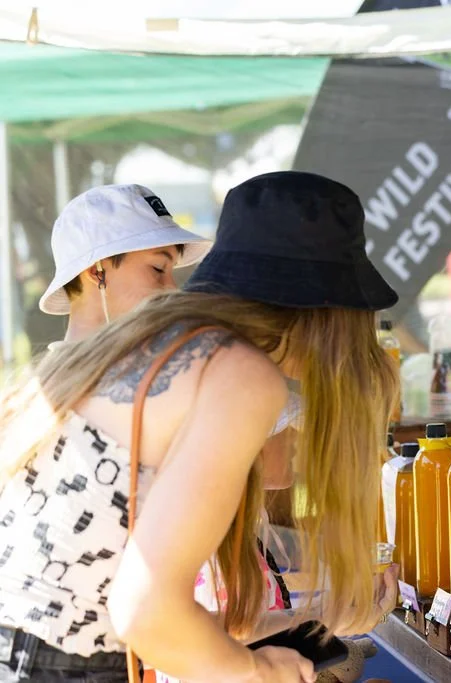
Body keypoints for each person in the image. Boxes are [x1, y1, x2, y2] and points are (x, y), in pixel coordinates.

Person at [0, 170, 401, 681]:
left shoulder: (167, 348)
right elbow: (145, 612)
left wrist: (314, 618)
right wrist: (256, 670)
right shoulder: (237, 375)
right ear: (330, 309)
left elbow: (147, 615)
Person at [38, 184, 211, 349]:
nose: (173, 288)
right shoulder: (67, 378)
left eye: (170, 270)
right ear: (97, 272)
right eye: (158, 268)